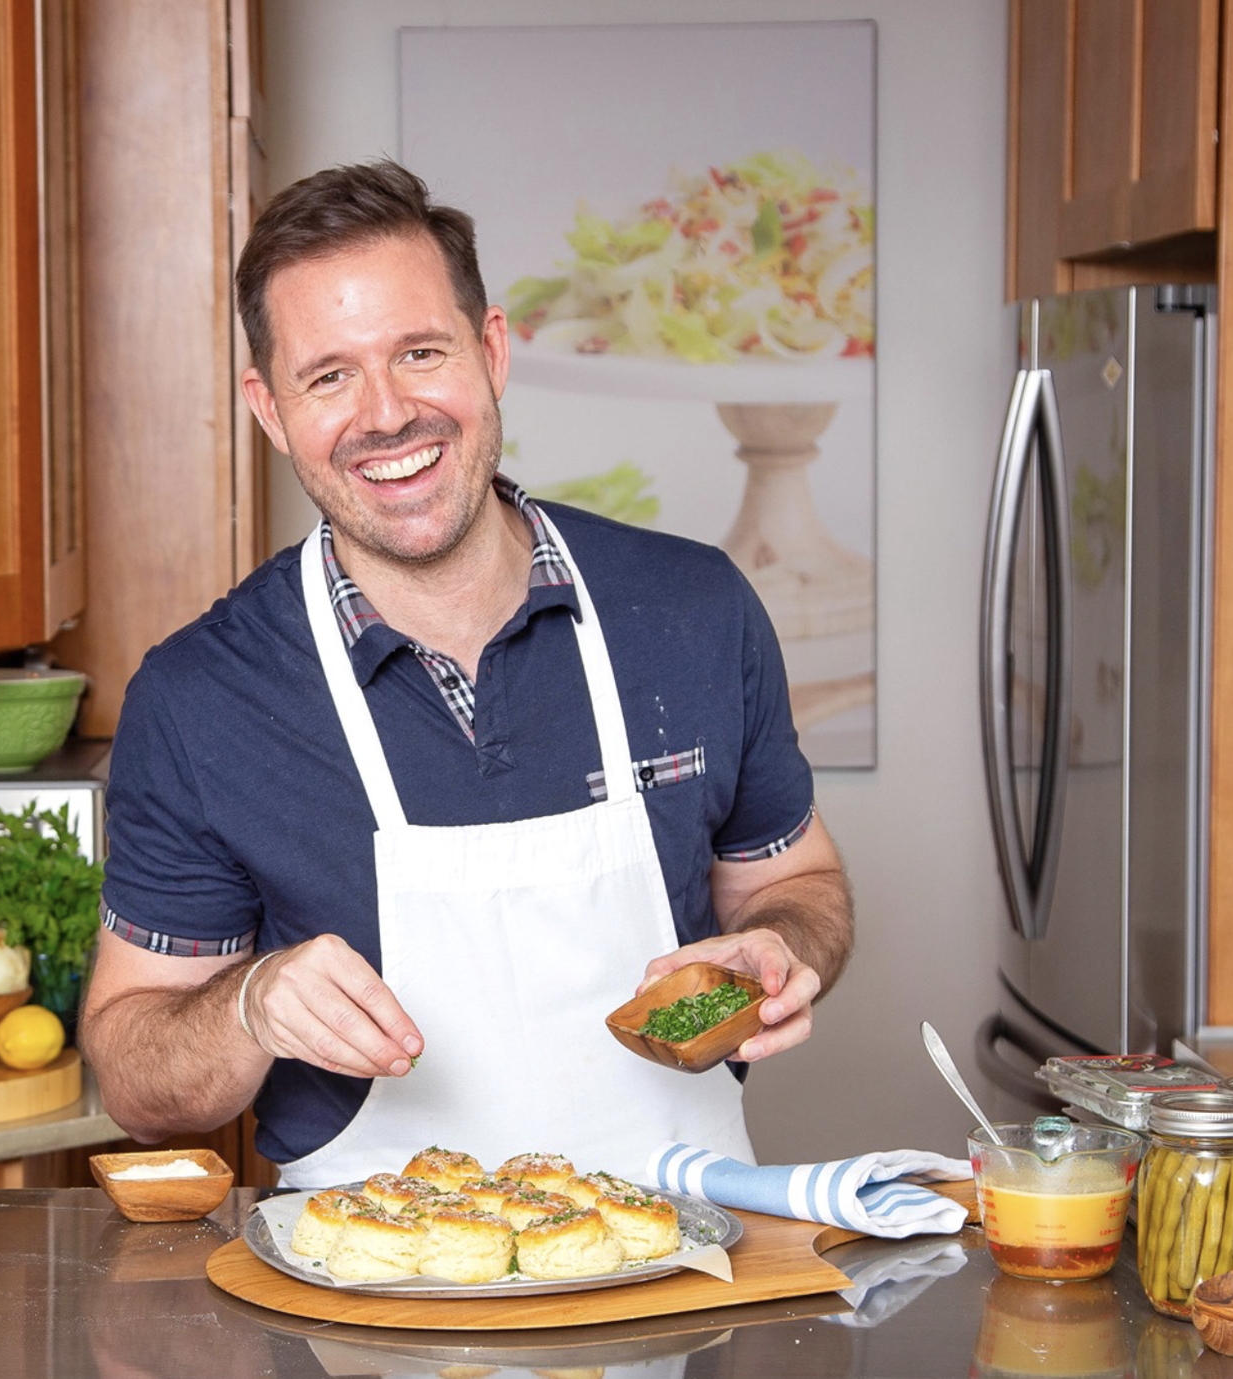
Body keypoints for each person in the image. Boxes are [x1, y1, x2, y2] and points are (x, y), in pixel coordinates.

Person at [79, 160, 853, 1188]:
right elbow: (135, 1078)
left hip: (685, 1245)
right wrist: (250, 1003)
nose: (386, 413)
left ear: (490, 351)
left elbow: (796, 883)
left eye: (419, 352)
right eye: (329, 376)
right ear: (268, 409)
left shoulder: (693, 608)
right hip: (370, 1263)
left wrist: (775, 945)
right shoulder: (200, 698)